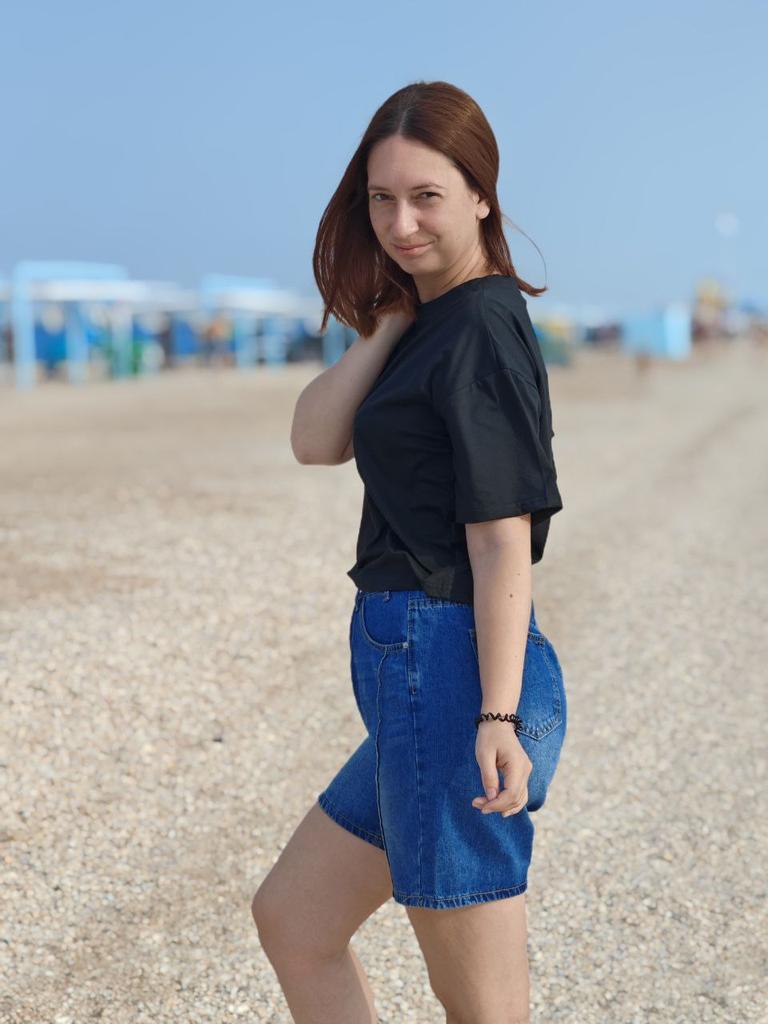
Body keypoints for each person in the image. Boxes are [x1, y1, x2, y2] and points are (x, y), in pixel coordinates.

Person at [251, 79, 567, 1024]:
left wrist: (496, 715)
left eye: (426, 196)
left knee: (482, 1007)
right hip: (418, 678)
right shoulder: (430, 323)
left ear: (481, 195)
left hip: (452, 675)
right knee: (295, 920)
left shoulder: (480, 328)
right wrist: (386, 325)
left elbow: (502, 542)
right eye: (380, 199)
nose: (399, 224)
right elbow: (314, 440)